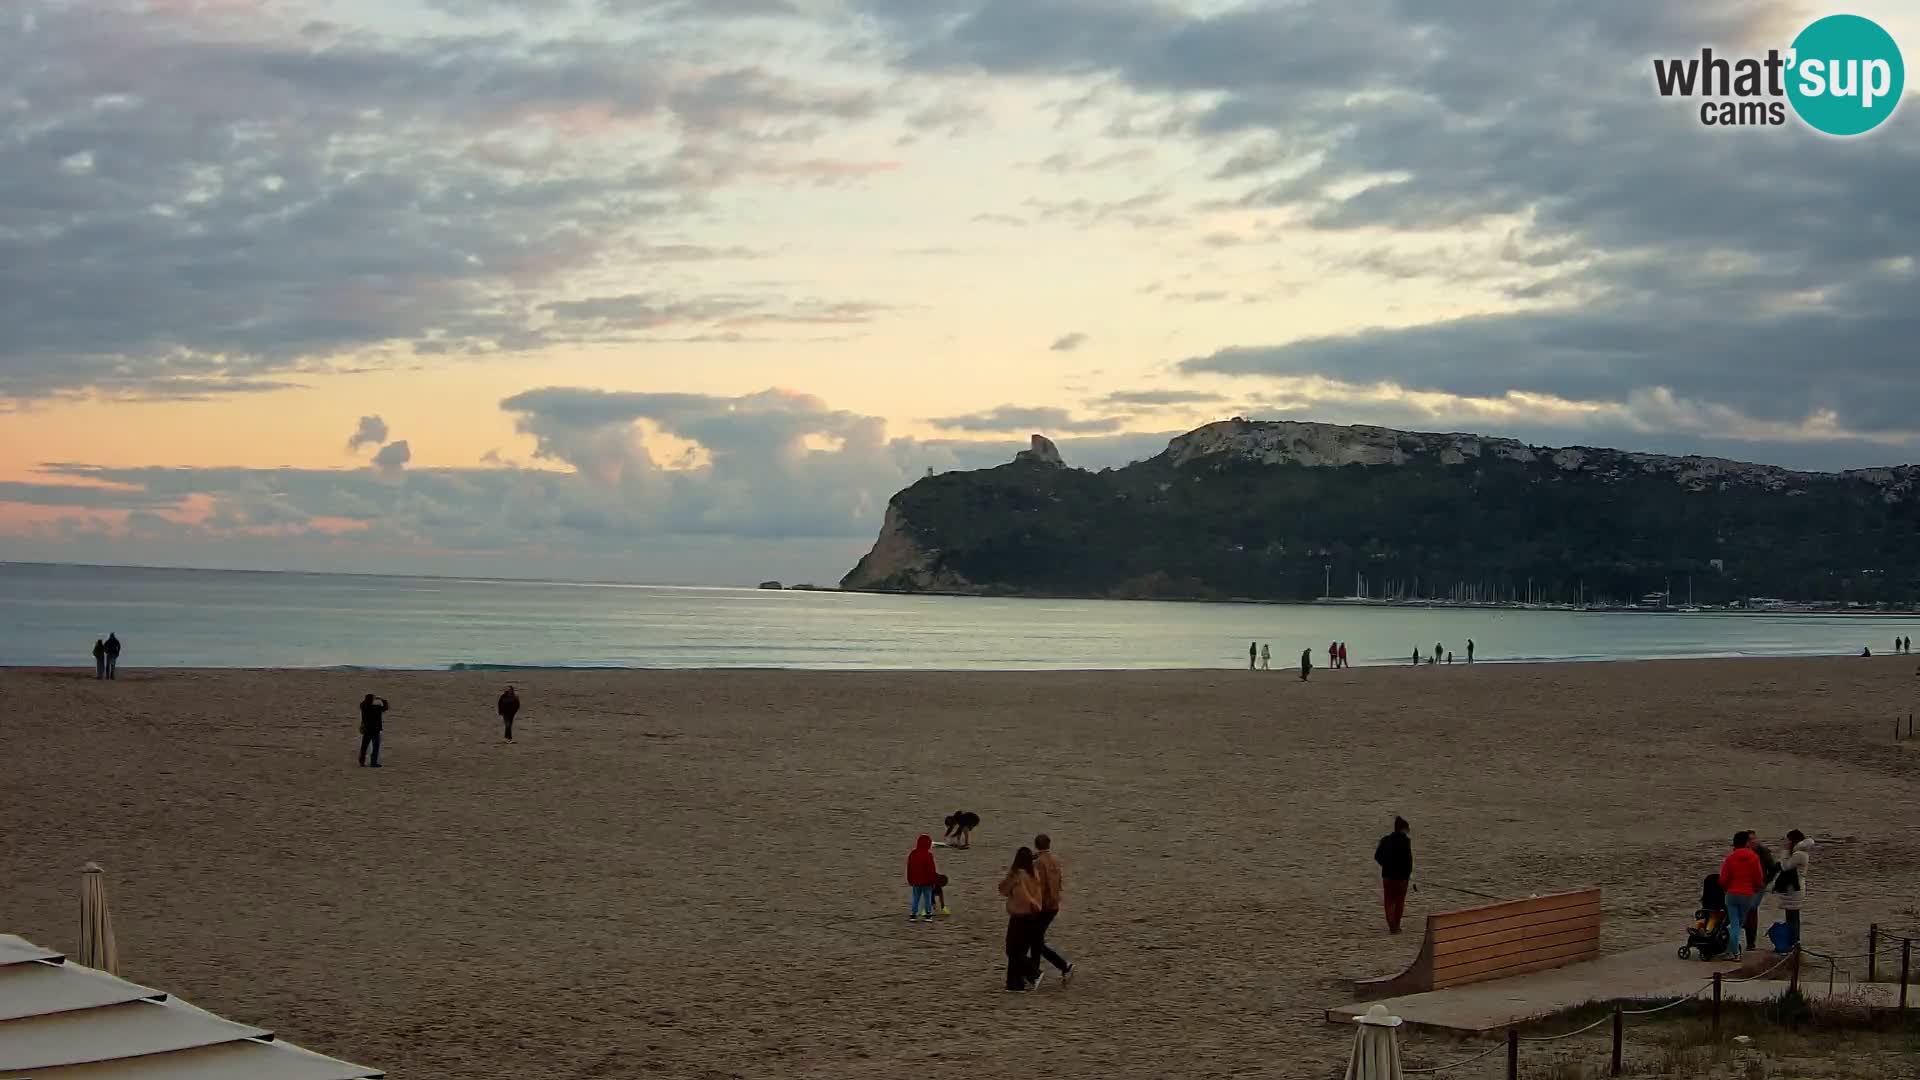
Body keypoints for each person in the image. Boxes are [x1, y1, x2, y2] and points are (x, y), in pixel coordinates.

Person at [998, 847, 1044, 991]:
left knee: (1012, 950)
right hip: (1033, 915)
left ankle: (1033, 973)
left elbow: (1003, 890)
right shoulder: (1034, 873)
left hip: (1019, 916)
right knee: (1019, 950)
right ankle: (1014, 982)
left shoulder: (1017, 875)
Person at [1030, 834, 1074, 985]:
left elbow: (1039, 886)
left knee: (1035, 940)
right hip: (1054, 904)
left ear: (1036, 845)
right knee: (1036, 939)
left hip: (1044, 906)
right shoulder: (1055, 860)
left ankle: (1061, 966)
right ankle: (1034, 972)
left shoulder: (1038, 863)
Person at [1718, 831, 1765, 960]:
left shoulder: (1730, 858)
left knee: (1734, 923)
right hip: (1747, 895)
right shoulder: (1754, 858)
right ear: (1746, 843)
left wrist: (1727, 887)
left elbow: (1723, 879)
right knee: (1739, 923)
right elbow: (1758, 879)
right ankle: (1733, 950)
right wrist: (1755, 888)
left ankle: (1733, 952)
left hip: (1732, 894)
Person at [1773, 830, 1812, 949]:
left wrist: (1784, 851)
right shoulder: (1799, 853)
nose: (1786, 842)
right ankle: (1793, 942)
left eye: (1788, 839)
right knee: (1791, 916)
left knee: (1793, 917)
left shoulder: (1798, 854)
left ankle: (1794, 942)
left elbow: (1785, 866)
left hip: (1795, 890)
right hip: (1794, 889)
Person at [1374, 817, 1413, 934]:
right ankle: (1397, 925)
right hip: (1402, 877)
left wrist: (1385, 865)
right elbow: (1409, 860)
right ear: (1403, 829)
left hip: (1388, 875)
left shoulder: (1385, 840)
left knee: (1389, 901)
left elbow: (1377, 856)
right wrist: (1408, 874)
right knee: (1399, 901)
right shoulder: (1406, 842)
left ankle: (1392, 925)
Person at [907, 834, 940, 921]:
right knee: (927, 898)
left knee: (915, 897)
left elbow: (909, 867)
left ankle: (913, 914)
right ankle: (928, 914)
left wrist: (910, 879)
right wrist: (933, 880)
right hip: (927, 881)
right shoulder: (929, 855)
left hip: (916, 880)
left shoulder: (913, 853)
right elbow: (931, 869)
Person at [357, 693, 390, 767]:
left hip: (367, 729)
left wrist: (369, 699)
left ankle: (361, 762)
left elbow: (362, 704)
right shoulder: (376, 708)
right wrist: (382, 699)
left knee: (364, 746)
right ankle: (373, 762)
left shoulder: (364, 707)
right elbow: (385, 708)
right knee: (375, 747)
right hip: (375, 729)